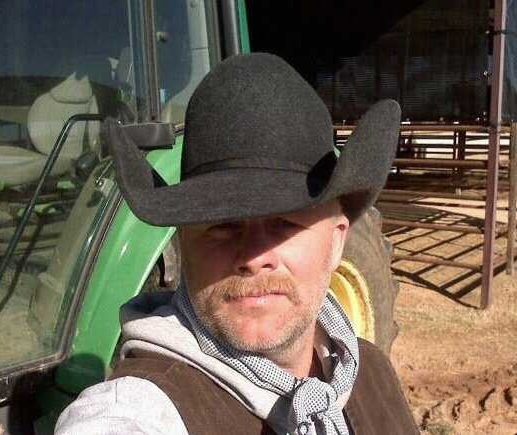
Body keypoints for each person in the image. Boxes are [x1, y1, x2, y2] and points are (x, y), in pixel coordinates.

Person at [55, 53, 418, 435]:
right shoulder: (136, 410)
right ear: (183, 245)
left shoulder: (372, 374)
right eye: (223, 226)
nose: (254, 257)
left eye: (284, 223)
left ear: (337, 241)